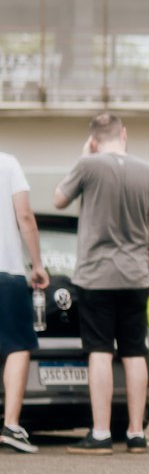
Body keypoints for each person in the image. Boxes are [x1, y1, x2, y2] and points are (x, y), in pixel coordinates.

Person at [53, 114, 149, 453]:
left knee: (100, 352)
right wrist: (145, 271)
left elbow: (58, 199)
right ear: (125, 134)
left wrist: (84, 155)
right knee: (133, 353)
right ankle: (136, 434)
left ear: (95, 140)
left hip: (95, 277)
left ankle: (100, 434)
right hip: (134, 277)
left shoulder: (88, 164)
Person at [0, 152, 50, 452]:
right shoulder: (7, 163)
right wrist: (38, 263)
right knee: (17, 347)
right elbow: (25, 217)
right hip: (6, 273)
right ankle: (11, 426)